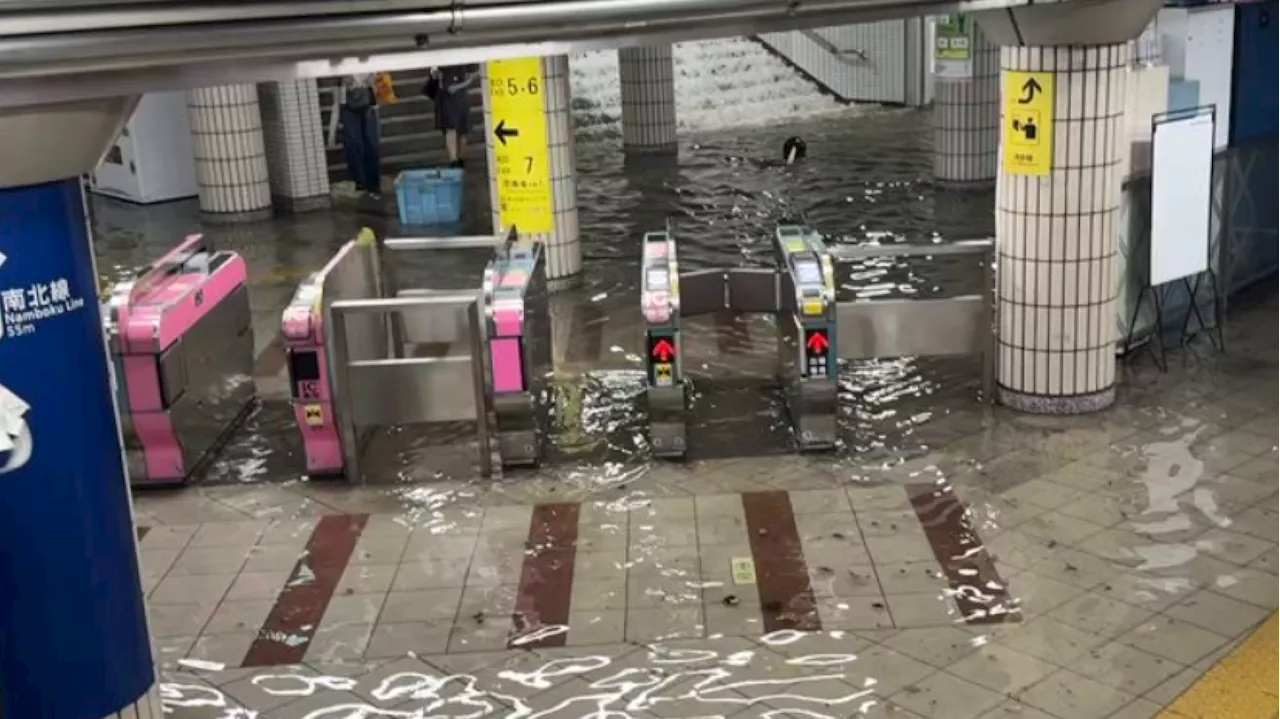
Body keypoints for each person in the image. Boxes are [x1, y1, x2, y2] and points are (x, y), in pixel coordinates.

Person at [339, 74, 382, 197]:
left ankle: (373, 185)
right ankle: (360, 181)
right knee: (354, 143)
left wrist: (373, 78)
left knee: (372, 144)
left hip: (368, 97)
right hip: (347, 99)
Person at [429, 64, 479, 167]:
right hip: (448, 97)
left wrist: (460, 85)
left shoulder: (463, 63)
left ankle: (458, 159)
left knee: (460, 130)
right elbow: (436, 76)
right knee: (452, 128)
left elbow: (472, 75)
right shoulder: (441, 64)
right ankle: (454, 159)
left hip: (458, 96)